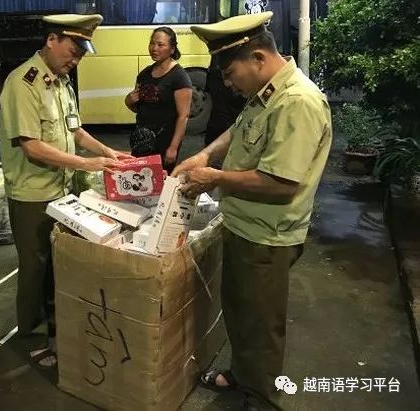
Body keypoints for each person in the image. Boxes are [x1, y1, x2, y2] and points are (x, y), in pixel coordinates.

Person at [173, 12, 332, 410]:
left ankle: (262, 398)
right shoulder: (266, 93)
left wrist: (214, 178)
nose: (228, 84)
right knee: (241, 311)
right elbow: (238, 131)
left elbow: (281, 183)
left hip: (267, 236)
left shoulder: (297, 102)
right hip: (244, 225)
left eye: (230, 74)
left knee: (261, 326)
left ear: (258, 58)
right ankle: (243, 374)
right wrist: (204, 156)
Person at [0, 13, 131, 367]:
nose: (75, 61)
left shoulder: (60, 83)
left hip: (61, 190)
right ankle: (32, 336)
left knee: (57, 264)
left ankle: (56, 328)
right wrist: (87, 165)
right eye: (73, 52)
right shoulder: (23, 83)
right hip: (32, 194)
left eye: (81, 56)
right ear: (51, 40)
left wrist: (107, 152)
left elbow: (75, 130)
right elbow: (31, 146)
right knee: (35, 267)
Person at [124, 26, 192, 175]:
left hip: (165, 142)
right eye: (152, 43)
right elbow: (139, 108)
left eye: (160, 45)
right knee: (139, 179)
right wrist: (128, 101)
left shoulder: (179, 77)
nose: (154, 48)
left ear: (172, 49)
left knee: (160, 181)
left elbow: (183, 116)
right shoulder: (144, 74)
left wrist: (173, 148)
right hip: (142, 140)